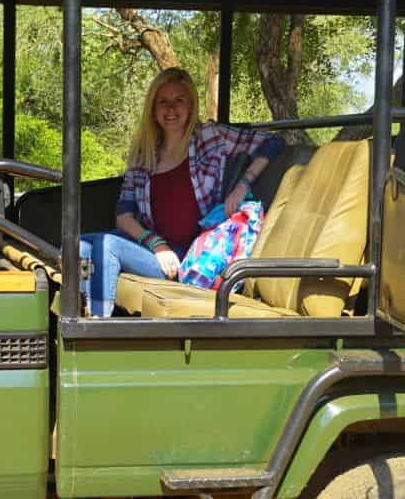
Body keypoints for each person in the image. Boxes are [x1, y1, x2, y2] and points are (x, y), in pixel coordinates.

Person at [80, 67, 285, 316]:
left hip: (185, 257)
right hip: (153, 248)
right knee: (77, 245)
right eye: (163, 102)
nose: (171, 109)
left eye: (179, 100)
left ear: (191, 106)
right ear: (153, 109)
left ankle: (96, 329)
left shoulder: (210, 137)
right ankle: (85, 313)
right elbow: (124, 215)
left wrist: (243, 185)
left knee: (108, 245)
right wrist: (156, 245)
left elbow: (272, 142)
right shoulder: (145, 153)